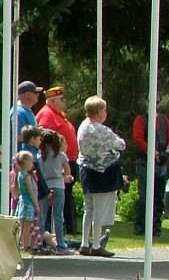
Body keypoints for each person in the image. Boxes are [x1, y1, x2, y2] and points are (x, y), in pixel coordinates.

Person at [77, 96, 125, 258]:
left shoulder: (83, 126)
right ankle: (96, 244)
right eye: (104, 109)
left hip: (86, 170)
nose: (106, 113)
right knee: (99, 210)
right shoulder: (101, 130)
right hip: (102, 172)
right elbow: (121, 144)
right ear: (98, 112)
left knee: (88, 209)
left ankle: (85, 243)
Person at [36, 85, 80, 235]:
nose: (64, 101)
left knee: (66, 196)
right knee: (56, 198)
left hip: (67, 160)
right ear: (53, 100)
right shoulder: (47, 114)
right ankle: (52, 232)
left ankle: (67, 229)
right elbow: (43, 137)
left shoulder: (59, 114)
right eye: (62, 99)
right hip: (55, 163)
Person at [131, 99, 169, 236]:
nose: (156, 104)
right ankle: (141, 226)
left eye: (158, 101)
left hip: (161, 163)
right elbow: (138, 139)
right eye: (153, 101)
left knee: (158, 197)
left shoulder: (164, 120)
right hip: (145, 162)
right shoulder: (141, 119)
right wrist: (153, 152)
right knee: (145, 196)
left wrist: (166, 152)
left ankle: (156, 227)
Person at [39, 129, 74, 255]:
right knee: (58, 217)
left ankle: (40, 243)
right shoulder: (61, 155)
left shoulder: (40, 156)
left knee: (42, 216)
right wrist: (66, 177)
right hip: (58, 185)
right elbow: (67, 171)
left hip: (45, 187)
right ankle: (61, 245)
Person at [14, 151, 39, 253]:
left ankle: (18, 244)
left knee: (22, 226)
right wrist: (36, 204)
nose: (32, 164)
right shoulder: (27, 177)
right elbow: (31, 191)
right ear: (26, 162)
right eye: (31, 162)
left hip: (22, 202)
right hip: (28, 203)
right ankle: (26, 246)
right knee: (27, 227)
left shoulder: (19, 175)